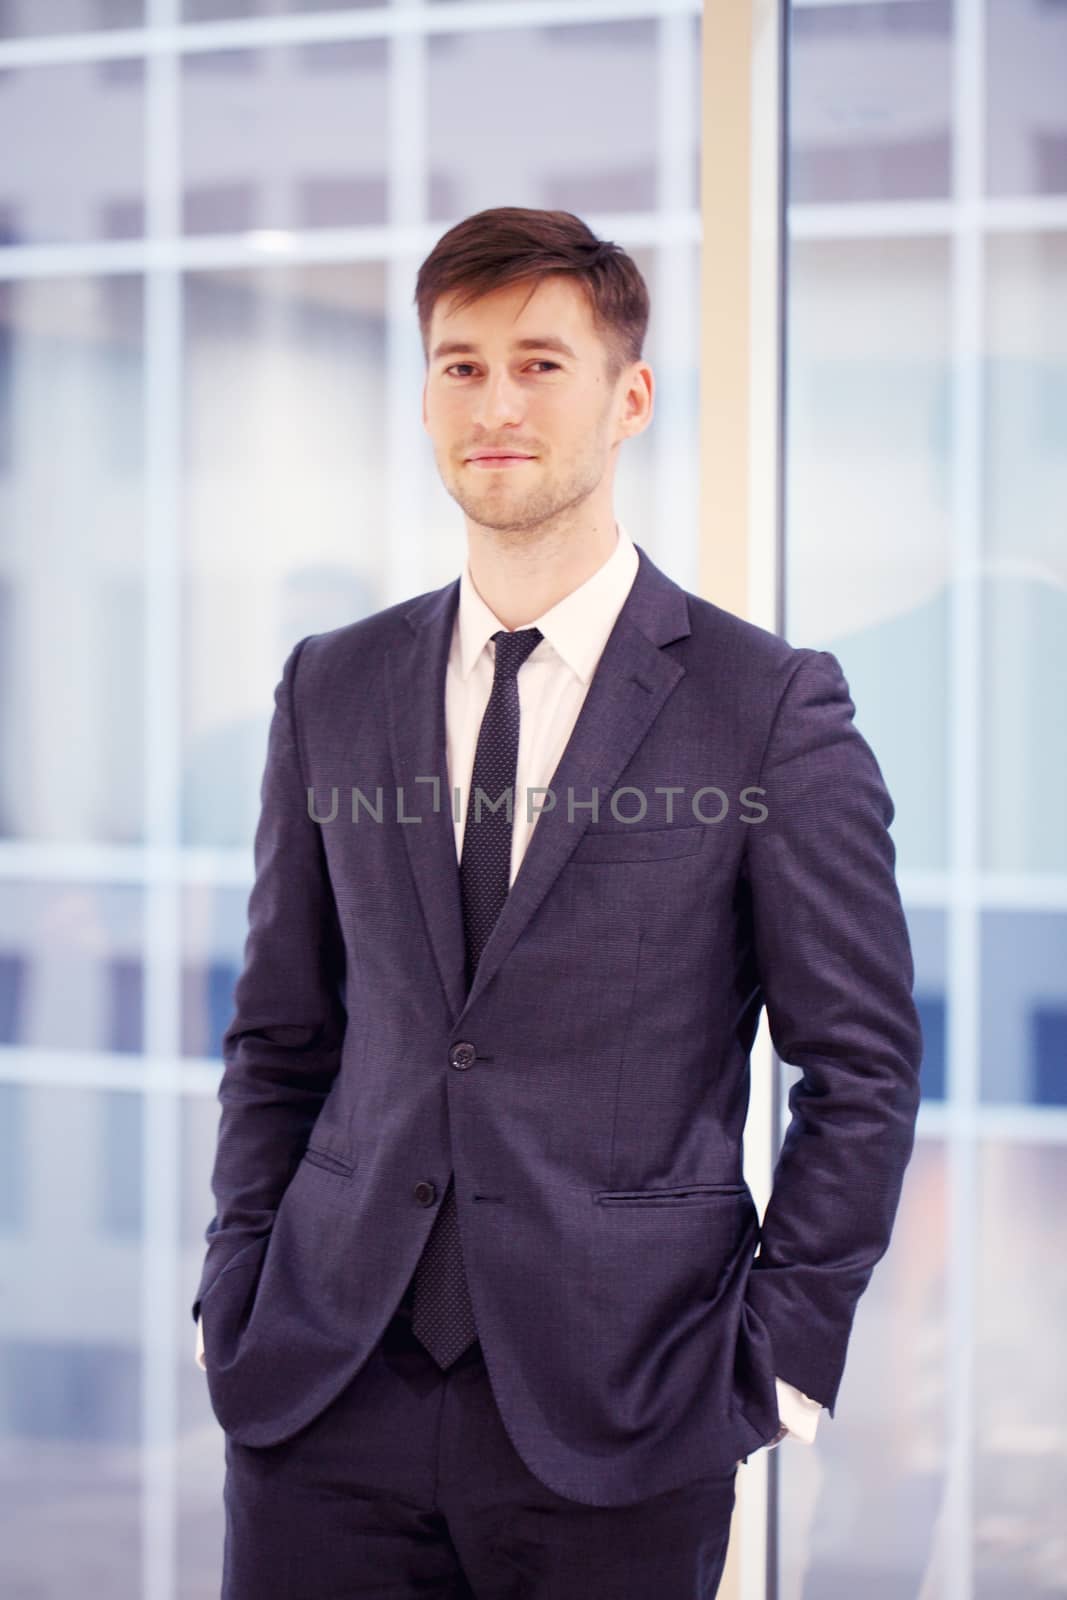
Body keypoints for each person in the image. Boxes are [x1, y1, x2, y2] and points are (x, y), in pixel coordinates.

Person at [193, 207, 923, 1599]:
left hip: (626, 1413)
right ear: (423, 398)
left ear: (628, 397)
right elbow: (282, 1032)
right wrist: (236, 1290)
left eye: (540, 362)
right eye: (460, 366)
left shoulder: (765, 708)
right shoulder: (329, 686)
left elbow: (863, 1067)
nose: (496, 403)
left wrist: (775, 1370)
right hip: (320, 1394)